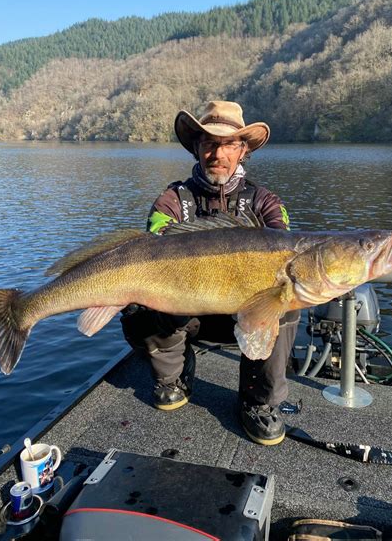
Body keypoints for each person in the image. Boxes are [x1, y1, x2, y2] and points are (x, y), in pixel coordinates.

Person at [121, 101, 299, 446]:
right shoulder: (172, 199)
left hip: (246, 312)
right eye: (208, 143)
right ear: (197, 149)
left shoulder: (266, 202)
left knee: (288, 302)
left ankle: (257, 401)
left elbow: (285, 242)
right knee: (140, 303)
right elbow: (153, 243)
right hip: (186, 315)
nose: (218, 153)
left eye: (229, 144)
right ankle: (173, 378)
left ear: (243, 151)